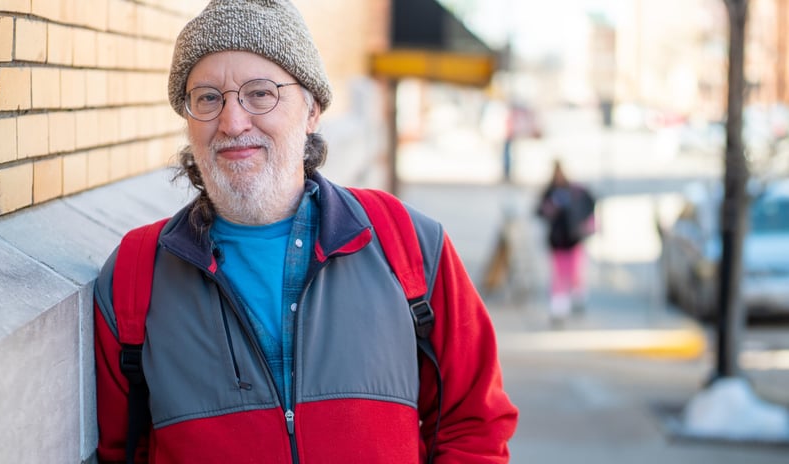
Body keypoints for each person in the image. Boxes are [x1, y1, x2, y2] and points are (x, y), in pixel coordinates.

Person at [93, 1, 518, 463]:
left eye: (260, 94)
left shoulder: (408, 243)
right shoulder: (136, 275)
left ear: (312, 109)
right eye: (208, 97)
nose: (233, 122)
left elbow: (475, 424)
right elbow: (122, 450)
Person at [536, 159, 596, 322]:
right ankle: (559, 308)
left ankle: (576, 299)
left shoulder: (575, 192)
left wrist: (589, 224)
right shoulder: (550, 192)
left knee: (575, 273)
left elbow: (589, 205)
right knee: (559, 276)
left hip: (573, 239)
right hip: (557, 241)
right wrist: (549, 209)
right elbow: (539, 211)